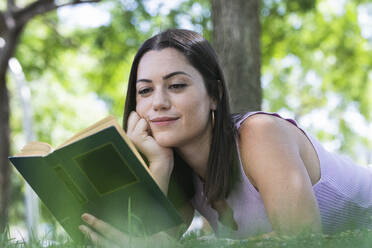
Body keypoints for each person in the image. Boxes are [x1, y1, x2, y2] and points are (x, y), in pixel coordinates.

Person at [78, 29, 372, 246]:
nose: (158, 102)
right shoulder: (182, 172)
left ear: (215, 95)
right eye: (145, 90)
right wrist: (158, 165)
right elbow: (144, 240)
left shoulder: (259, 134)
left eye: (177, 85)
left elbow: (304, 241)